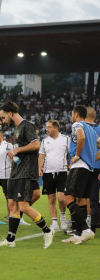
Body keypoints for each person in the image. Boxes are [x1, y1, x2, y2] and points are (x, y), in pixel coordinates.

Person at [0, 101, 54, 248]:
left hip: (25, 173)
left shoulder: (26, 125)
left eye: (3, 118)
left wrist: (16, 150)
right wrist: (15, 153)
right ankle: (11, 240)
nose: (3, 121)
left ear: (10, 113)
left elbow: (36, 144)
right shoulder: (17, 129)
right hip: (16, 172)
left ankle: (47, 231)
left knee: (23, 206)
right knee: (12, 206)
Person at [62, 105, 99, 244]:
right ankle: (78, 235)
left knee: (67, 198)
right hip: (89, 168)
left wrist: (77, 155)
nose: (72, 116)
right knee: (81, 201)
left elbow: (81, 137)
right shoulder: (92, 130)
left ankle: (85, 229)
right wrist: (93, 158)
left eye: (72, 114)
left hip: (79, 166)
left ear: (76, 114)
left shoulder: (78, 124)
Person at [38, 120, 69, 230]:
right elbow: (41, 156)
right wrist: (39, 168)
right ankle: (54, 222)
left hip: (62, 172)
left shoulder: (66, 139)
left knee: (61, 198)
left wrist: (69, 167)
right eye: (47, 127)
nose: (47, 129)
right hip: (48, 173)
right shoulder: (44, 141)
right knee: (51, 199)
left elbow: (70, 154)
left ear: (56, 128)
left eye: (49, 127)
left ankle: (63, 217)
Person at [85, 106, 100, 233]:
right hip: (96, 168)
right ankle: (93, 224)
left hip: (88, 168)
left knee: (88, 198)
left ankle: (88, 225)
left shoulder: (82, 129)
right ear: (95, 116)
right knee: (93, 200)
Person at [0, 130, 13, 221]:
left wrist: (14, 157)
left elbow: (16, 158)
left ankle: (9, 215)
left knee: (8, 195)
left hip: (6, 174)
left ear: (0, 135)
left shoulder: (8, 145)